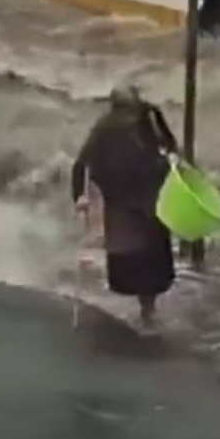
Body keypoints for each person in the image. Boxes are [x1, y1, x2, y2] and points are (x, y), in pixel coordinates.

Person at [71, 85, 179, 332]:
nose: (127, 119)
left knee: (154, 256)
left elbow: (170, 144)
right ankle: (144, 309)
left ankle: (148, 309)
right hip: (121, 199)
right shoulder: (104, 128)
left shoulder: (149, 118)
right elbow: (81, 164)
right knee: (130, 255)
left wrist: (173, 159)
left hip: (151, 196)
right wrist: (79, 196)